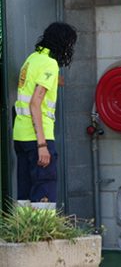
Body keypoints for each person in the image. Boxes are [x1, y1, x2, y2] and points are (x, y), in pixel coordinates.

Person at [13, 22, 77, 203]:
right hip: (38, 138)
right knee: (44, 191)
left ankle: (25, 231)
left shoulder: (32, 59)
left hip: (21, 136)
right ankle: (43, 230)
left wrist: (56, 81)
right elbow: (35, 103)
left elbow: (32, 86)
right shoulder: (50, 64)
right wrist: (42, 145)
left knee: (25, 193)